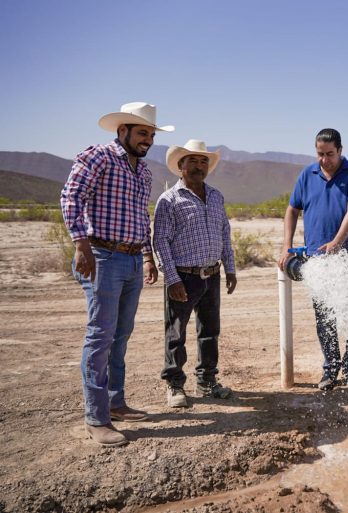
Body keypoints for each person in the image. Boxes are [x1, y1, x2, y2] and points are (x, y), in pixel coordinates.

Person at [61, 102, 173, 447]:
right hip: (102, 257)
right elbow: (71, 197)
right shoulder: (99, 156)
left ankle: (116, 402)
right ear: (122, 131)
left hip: (131, 260)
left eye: (151, 135)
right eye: (142, 133)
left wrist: (147, 257)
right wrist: (81, 244)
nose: (148, 140)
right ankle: (96, 418)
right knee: (100, 336)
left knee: (121, 335)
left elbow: (141, 218)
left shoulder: (144, 172)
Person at [279, 128, 348, 391]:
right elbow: (292, 209)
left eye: (330, 154)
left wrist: (338, 242)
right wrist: (286, 247)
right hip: (318, 260)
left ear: (340, 150)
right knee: (325, 316)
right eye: (320, 154)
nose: (324, 160)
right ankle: (330, 369)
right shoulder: (308, 174)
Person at [153, 140, 237, 408]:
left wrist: (230, 268)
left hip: (212, 274)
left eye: (203, 162)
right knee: (176, 333)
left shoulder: (216, 196)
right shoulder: (169, 200)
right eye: (193, 161)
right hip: (183, 277)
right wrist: (172, 279)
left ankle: (207, 382)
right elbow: (161, 241)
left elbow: (225, 233)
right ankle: (175, 385)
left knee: (210, 332)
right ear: (180, 166)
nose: (199, 167)